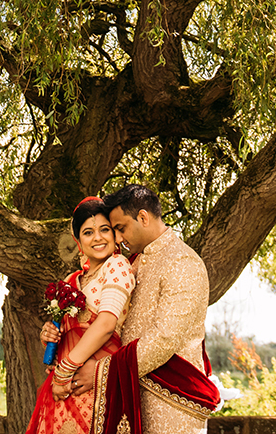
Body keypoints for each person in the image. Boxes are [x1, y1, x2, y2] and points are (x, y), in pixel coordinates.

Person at [71, 184, 220, 434]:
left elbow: (165, 339)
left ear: (143, 217)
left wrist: (99, 372)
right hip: (131, 395)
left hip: (172, 404)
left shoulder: (183, 262)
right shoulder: (134, 262)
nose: (117, 239)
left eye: (120, 228)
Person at [24, 196, 135, 434]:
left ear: (115, 234)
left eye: (104, 229)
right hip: (63, 390)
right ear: (78, 241)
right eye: (88, 232)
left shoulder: (116, 266)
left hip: (96, 386)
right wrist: (50, 335)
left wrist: (64, 371)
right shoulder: (71, 281)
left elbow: (106, 324)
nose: (98, 237)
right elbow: (68, 334)